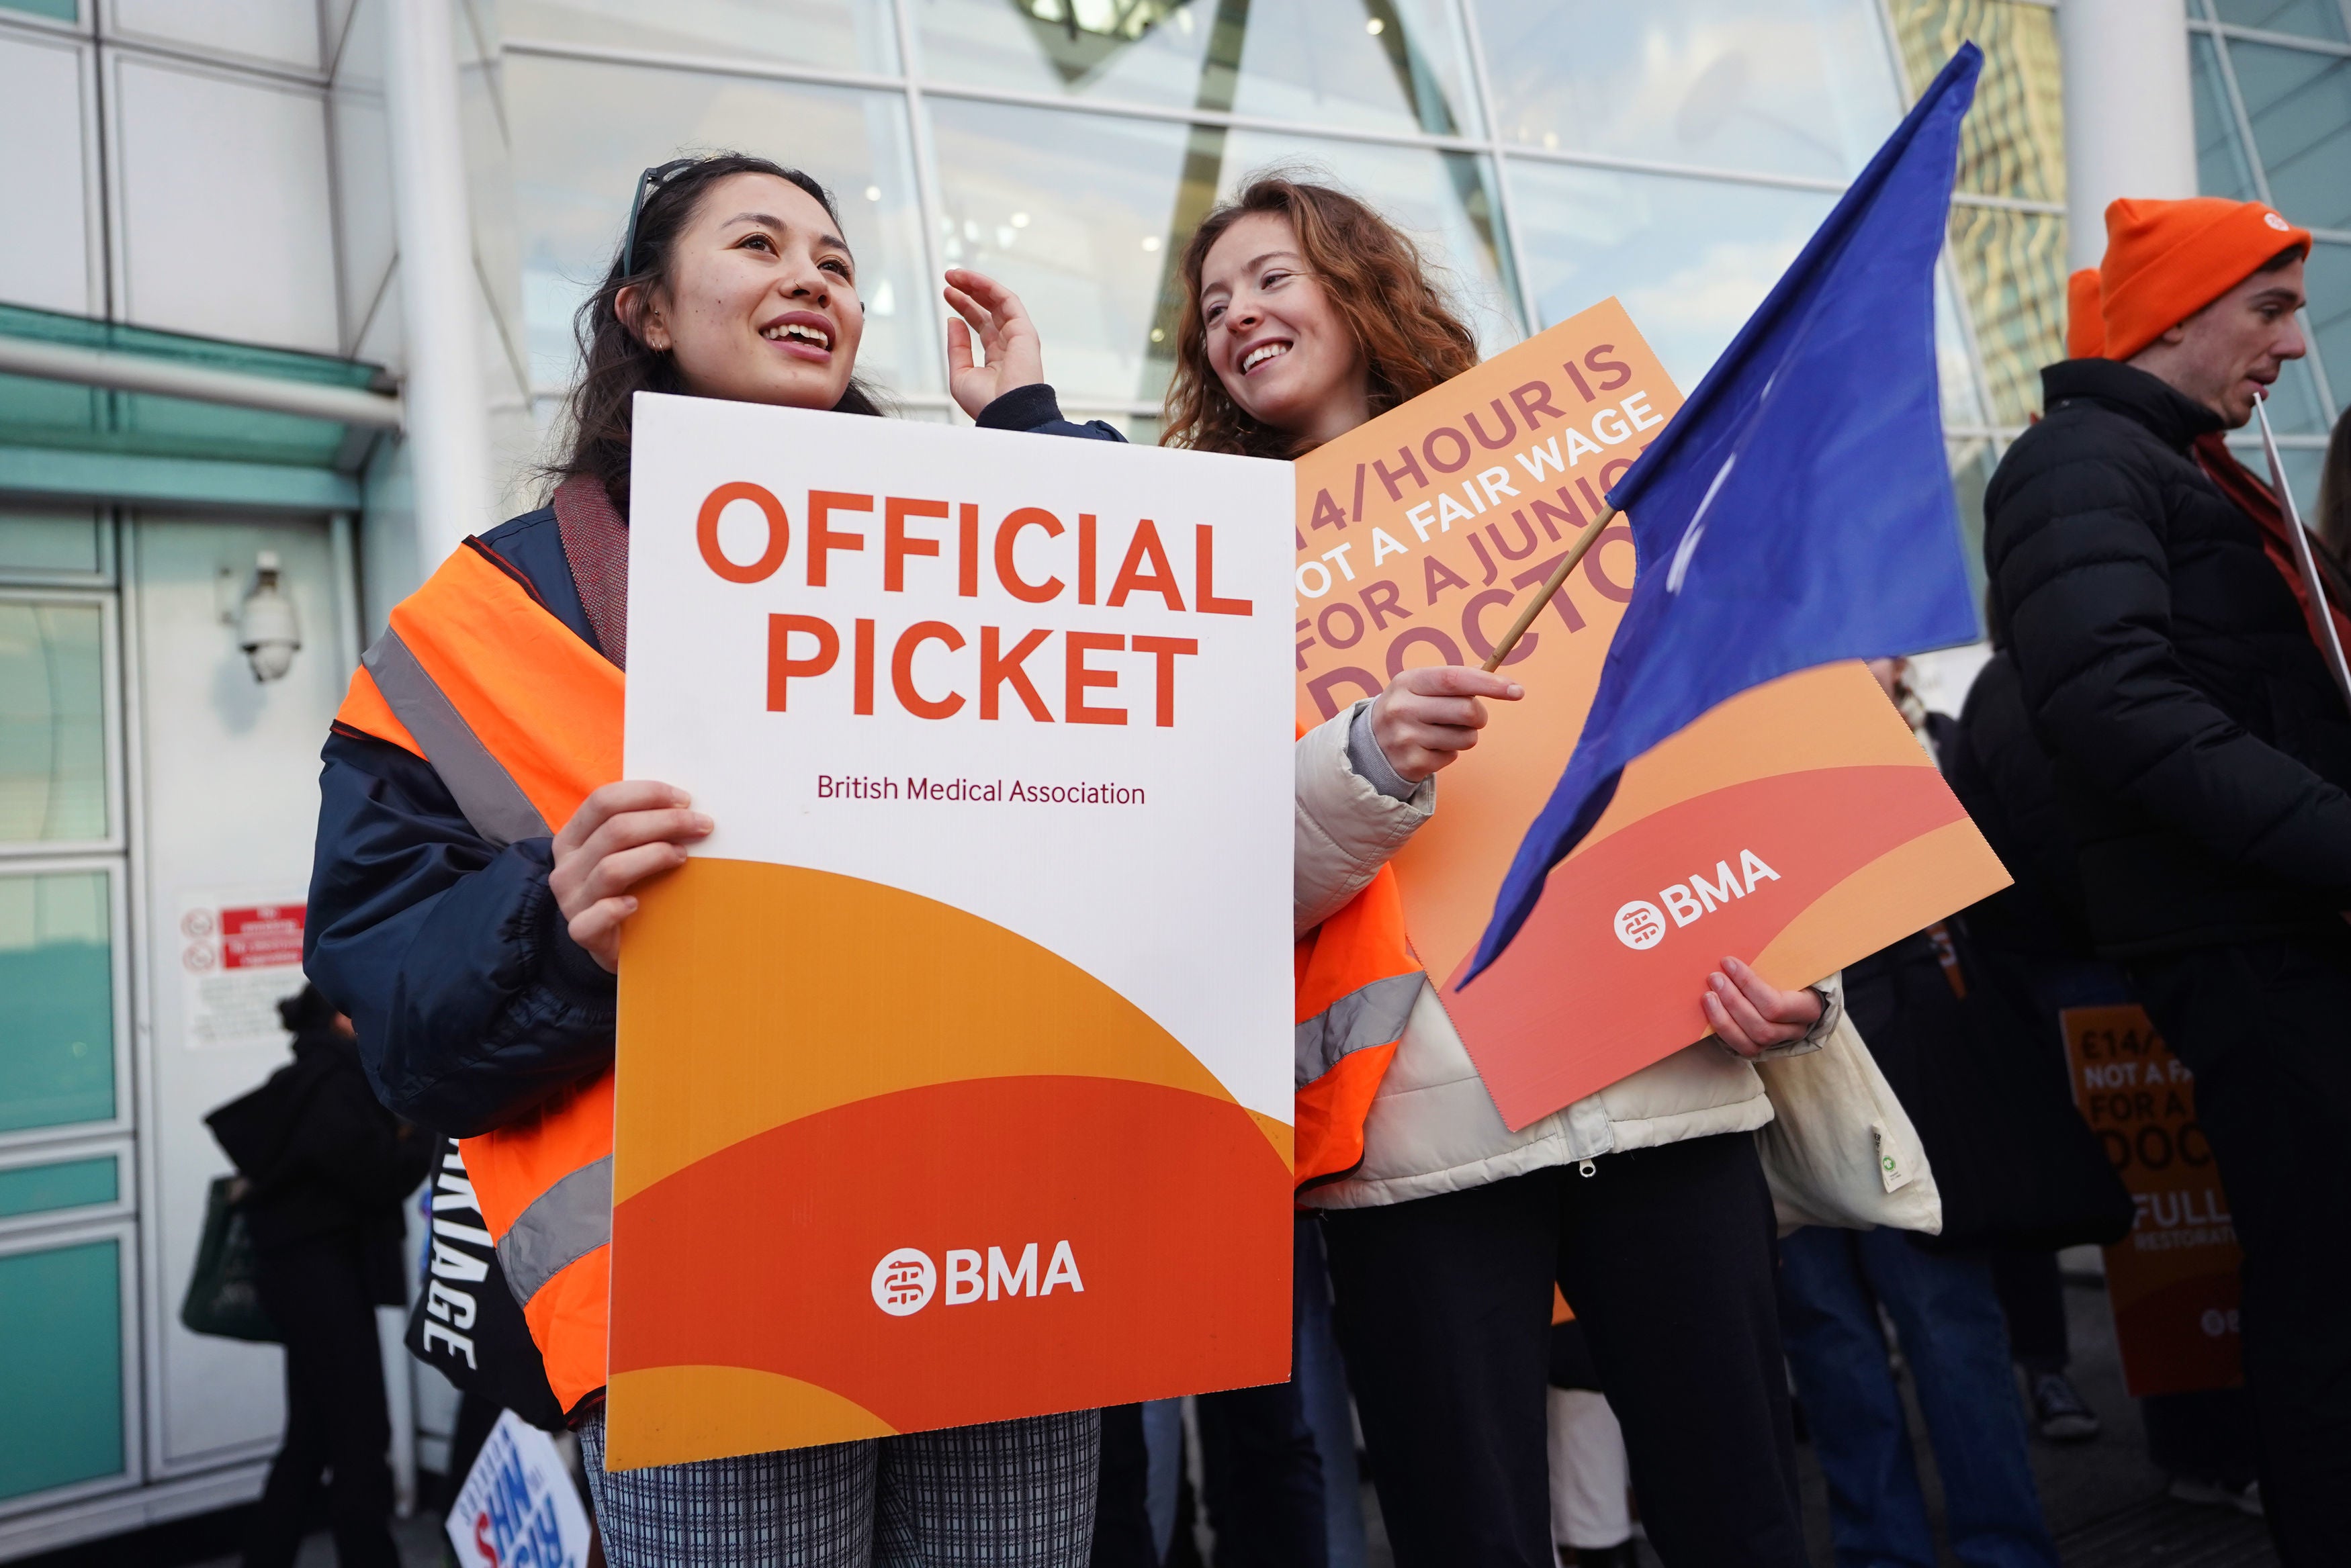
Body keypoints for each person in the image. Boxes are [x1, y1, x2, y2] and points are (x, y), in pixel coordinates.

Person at [307, 152, 1114, 1567]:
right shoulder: (481, 624)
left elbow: (1148, 713)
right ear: (646, 312)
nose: (813, 276)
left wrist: (1035, 435)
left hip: (1003, 1252)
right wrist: (551, 925)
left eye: (836, 262)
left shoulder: (970, 546)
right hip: (704, 1308)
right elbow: (397, 1018)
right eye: (757, 244)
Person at [1141, 172, 1837, 1568]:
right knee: (1472, 1533)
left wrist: (1803, 977)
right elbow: (1199, 882)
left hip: (1660, 1085)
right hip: (1414, 1141)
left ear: (1355, 286)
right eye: (1212, 305)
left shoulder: (1576, 483)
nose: (1238, 318)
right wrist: (1365, 761)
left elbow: (1701, 749)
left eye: (1270, 278)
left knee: (1741, 1514)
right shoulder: (1195, 573)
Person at [1984, 194, 2351, 1562]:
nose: (2296, 346)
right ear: (2174, 316)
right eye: (2268, 310)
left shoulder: (2169, 465)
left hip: (2282, 929)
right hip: (2254, 944)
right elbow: (2117, 706)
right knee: (2323, 1304)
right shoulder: (2080, 463)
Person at [1776, 665, 2062, 1568]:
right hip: (1768, 1058)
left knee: (1940, 1313)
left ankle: (1997, 1545)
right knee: (1832, 1331)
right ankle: (1887, 1547)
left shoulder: (1883, 722)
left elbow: (1942, 884)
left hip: (1893, 1041)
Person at [208, 983, 433, 1568]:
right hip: (318, 1279)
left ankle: (266, 1554)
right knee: (362, 1435)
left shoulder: (318, 1074)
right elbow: (377, 1174)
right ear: (341, 1017)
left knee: (312, 1434)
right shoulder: (333, 1083)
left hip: (308, 1276)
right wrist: (428, 1136)